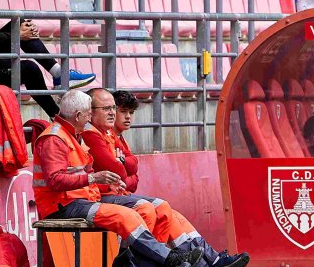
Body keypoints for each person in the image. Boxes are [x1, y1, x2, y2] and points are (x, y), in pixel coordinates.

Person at [35, 89, 247, 267]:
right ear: (79, 115)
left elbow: (131, 172)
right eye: (92, 113)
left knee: (158, 208)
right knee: (130, 215)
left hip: (81, 199)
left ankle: (201, 260)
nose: (91, 118)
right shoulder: (57, 137)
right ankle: (167, 259)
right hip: (64, 204)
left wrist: (105, 176)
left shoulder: (76, 134)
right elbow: (57, 180)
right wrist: (94, 179)